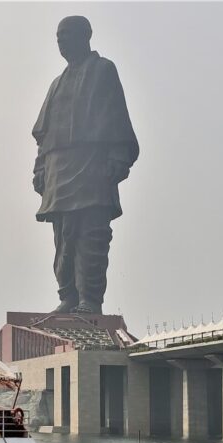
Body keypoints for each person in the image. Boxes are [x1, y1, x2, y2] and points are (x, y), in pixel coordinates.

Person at [32, 16, 139, 314]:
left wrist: (118, 158)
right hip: (58, 169)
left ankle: (89, 300)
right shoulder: (56, 83)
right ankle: (68, 295)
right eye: (58, 36)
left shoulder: (103, 70)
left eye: (66, 34)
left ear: (86, 35)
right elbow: (43, 134)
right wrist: (40, 168)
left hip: (91, 165)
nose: (61, 41)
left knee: (91, 234)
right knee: (62, 237)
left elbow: (116, 115)